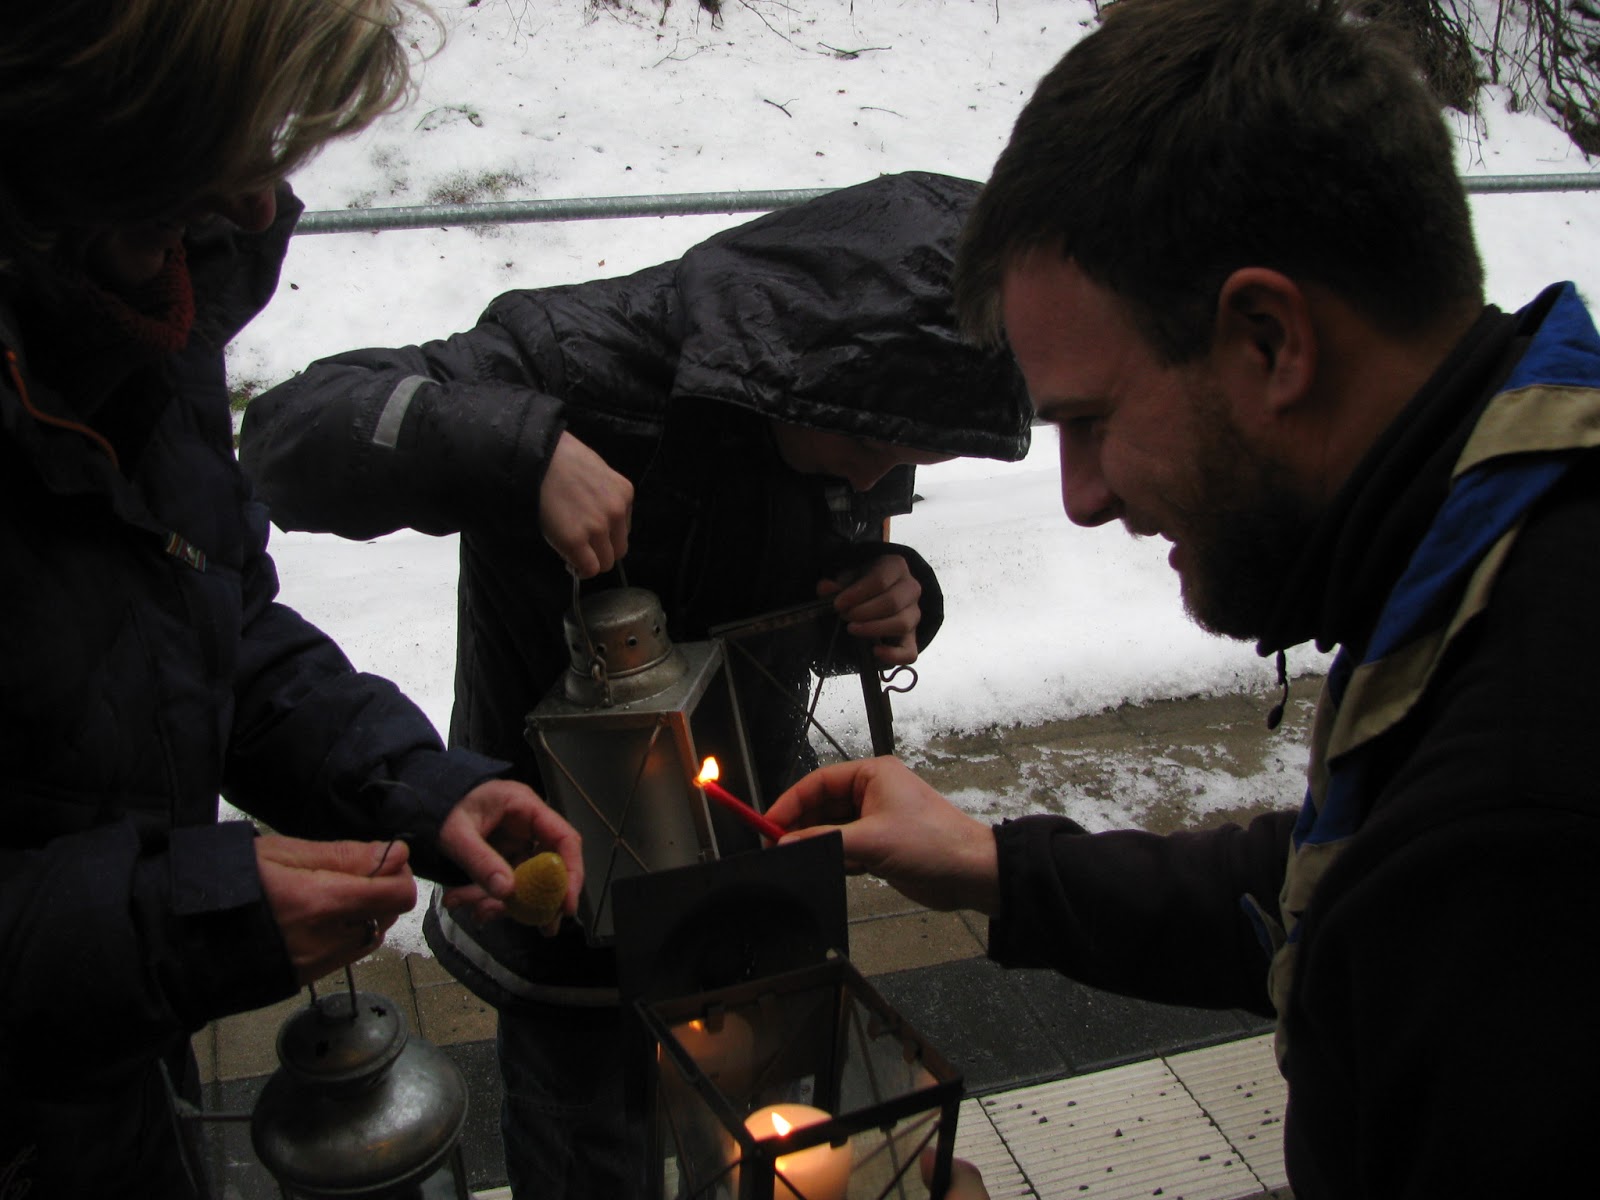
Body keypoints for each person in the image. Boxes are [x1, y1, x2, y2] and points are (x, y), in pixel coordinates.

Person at [765, 0, 1600, 1195]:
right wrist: (995, 864)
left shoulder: (1517, 822)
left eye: (1090, 424)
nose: (1082, 499)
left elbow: (1419, 892)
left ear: (1269, 340)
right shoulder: (1506, 529)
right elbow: (1334, 894)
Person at [238, 170, 1032, 1197]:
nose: (877, 480)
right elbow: (289, 435)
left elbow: (817, 570)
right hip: (565, 884)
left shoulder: (853, 412)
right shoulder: (574, 358)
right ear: (808, 360)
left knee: (768, 1151)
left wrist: (888, 596)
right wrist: (523, 451)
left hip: (747, 870)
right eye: (873, 449)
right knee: (586, 1152)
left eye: (902, 465)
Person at [0, 4, 583, 1198]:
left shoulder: (147, 295)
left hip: (104, 1089)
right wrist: (172, 918)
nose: (260, 205)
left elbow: (205, 625)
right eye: (222, 150)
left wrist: (418, 786)